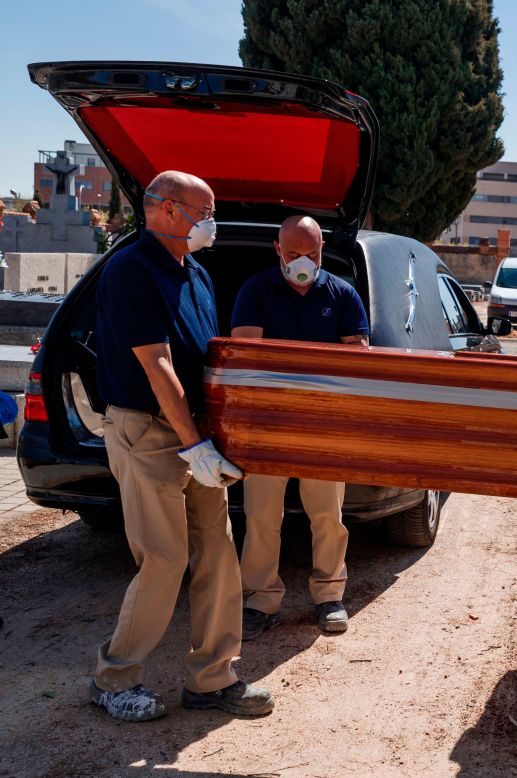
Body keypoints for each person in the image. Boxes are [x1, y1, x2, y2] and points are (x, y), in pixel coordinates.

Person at [91, 170, 273, 722]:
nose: (212, 222)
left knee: (217, 552)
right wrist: (195, 444)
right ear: (167, 210)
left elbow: (208, 355)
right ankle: (114, 678)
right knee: (165, 558)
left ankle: (212, 678)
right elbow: (158, 365)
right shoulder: (131, 270)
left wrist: (218, 430)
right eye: (205, 210)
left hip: (194, 431)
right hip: (148, 431)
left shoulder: (195, 272)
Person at [231, 215, 370, 638]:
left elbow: (358, 359)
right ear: (278, 251)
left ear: (322, 251)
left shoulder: (342, 294)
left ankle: (329, 596)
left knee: (327, 514)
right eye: (293, 254)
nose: (302, 262)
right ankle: (259, 600)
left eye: (311, 253)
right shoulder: (256, 290)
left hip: (323, 426)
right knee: (261, 517)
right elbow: (246, 353)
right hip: (267, 426)